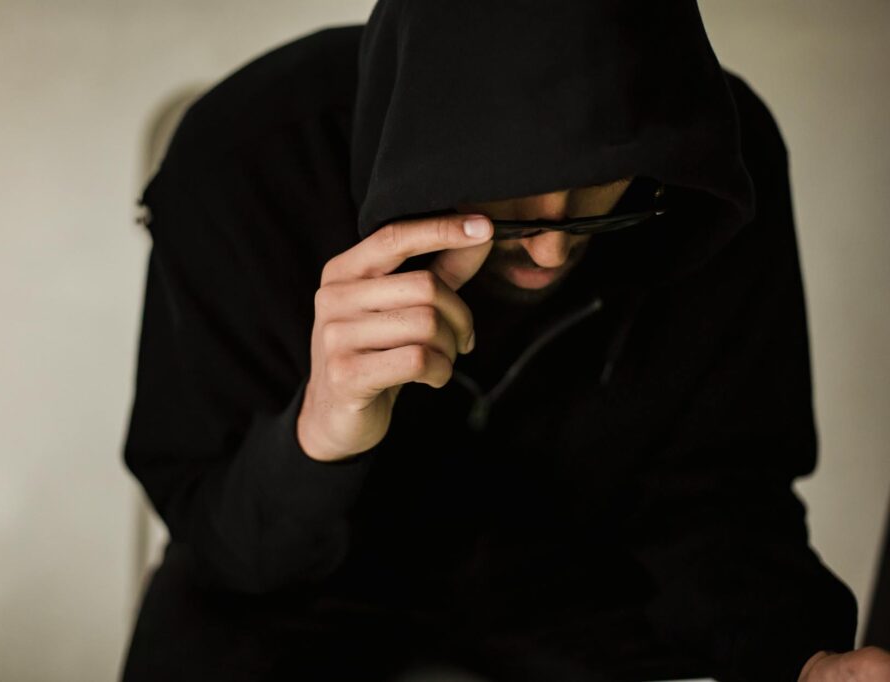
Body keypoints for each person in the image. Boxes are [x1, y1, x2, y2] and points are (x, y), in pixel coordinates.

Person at [119, 1, 890, 680]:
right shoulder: (243, 159)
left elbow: (720, 501)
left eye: (600, 189)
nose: (552, 251)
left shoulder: (708, 169)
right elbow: (217, 533)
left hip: (588, 582)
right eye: (511, 190)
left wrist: (798, 658)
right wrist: (316, 437)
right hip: (297, 588)